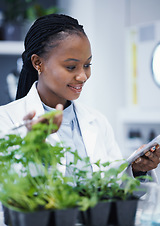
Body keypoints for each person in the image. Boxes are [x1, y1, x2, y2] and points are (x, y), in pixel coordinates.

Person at [0, 13, 159, 180]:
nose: (83, 76)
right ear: (38, 63)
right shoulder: (6, 120)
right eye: (71, 67)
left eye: (87, 65)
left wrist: (136, 170)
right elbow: (8, 190)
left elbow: (112, 189)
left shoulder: (97, 121)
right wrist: (31, 145)